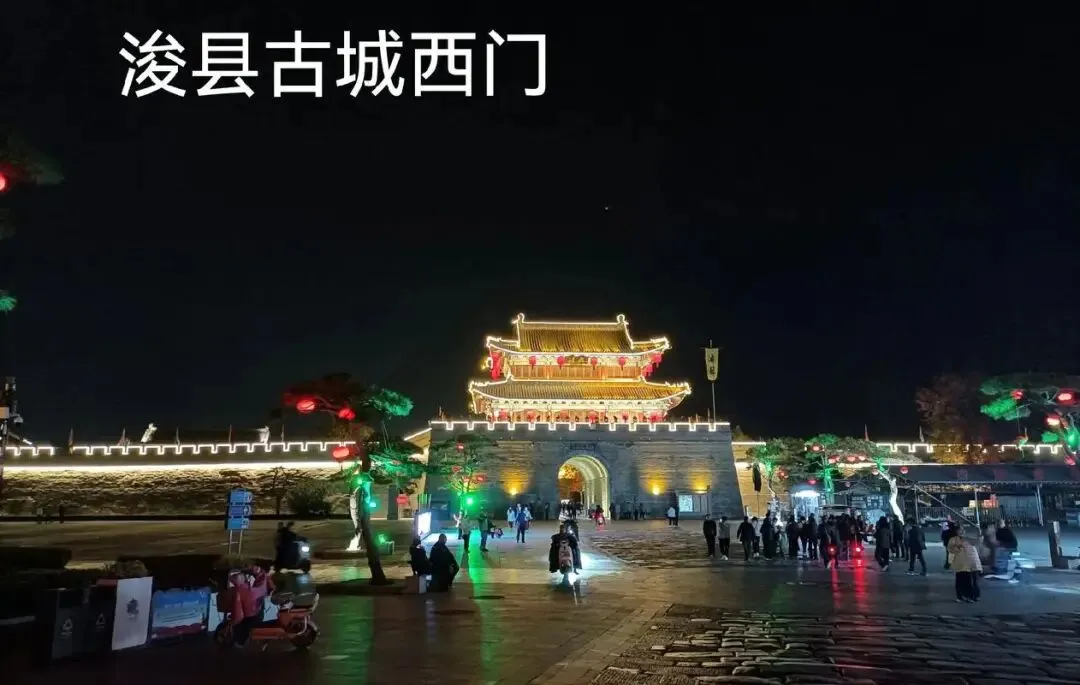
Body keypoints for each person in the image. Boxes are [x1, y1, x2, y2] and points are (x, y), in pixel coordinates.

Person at [947, 526, 982, 603]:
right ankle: (962, 596)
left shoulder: (968, 539)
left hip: (972, 563)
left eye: (963, 530)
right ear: (956, 531)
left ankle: (974, 596)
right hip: (961, 564)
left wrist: (979, 533)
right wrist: (958, 547)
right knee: (962, 581)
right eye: (960, 530)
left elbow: (978, 541)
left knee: (972, 580)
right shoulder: (953, 540)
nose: (962, 531)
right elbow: (951, 550)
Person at [228, 571, 261, 647]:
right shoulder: (250, 588)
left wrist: (234, 622)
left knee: (236, 623)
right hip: (257, 617)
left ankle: (240, 642)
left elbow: (239, 615)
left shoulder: (238, 592)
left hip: (247, 621)